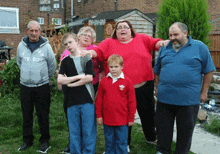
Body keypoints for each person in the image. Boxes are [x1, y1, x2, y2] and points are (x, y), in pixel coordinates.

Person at [86, 19, 169, 151]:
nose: (123, 29)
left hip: (144, 85)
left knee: (147, 113)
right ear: (115, 32)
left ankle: (151, 137)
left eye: (126, 27)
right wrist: (90, 53)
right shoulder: (108, 43)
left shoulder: (142, 38)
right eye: (119, 28)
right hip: (120, 88)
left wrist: (163, 43)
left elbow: (156, 43)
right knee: (124, 115)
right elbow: (98, 51)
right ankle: (125, 142)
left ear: (131, 30)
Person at [153, 22, 215, 154]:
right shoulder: (165, 48)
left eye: (176, 34)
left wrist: (204, 92)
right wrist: (157, 88)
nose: (172, 38)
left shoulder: (199, 47)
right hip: (165, 99)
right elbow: (157, 70)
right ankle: (162, 151)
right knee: (163, 129)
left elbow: (209, 71)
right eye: (170, 35)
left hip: (188, 100)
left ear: (185, 33)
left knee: (185, 132)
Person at [58, 26, 101, 153]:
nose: (69, 46)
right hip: (71, 100)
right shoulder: (65, 61)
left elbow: (88, 78)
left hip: (87, 98)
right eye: (66, 44)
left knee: (88, 130)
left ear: (77, 41)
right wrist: (78, 77)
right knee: (74, 130)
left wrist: (70, 83)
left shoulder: (86, 57)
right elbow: (60, 80)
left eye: (70, 42)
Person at [17, 20, 56, 152]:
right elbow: (19, 63)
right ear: (27, 31)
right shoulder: (21, 46)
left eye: (36, 30)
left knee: (42, 114)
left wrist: (43, 77)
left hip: (42, 87)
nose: (34, 33)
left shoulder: (46, 46)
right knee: (26, 114)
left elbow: (52, 65)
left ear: (40, 31)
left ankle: (44, 140)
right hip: (25, 87)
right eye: (31, 30)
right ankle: (27, 140)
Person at [95, 54, 136, 154]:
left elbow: (132, 101)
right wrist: (99, 115)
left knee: (122, 142)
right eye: (111, 67)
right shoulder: (104, 81)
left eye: (116, 66)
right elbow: (99, 99)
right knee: (109, 142)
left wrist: (131, 117)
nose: (113, 69)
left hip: (122, 120)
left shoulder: (127, 82)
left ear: (122, 66)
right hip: (108, 119)